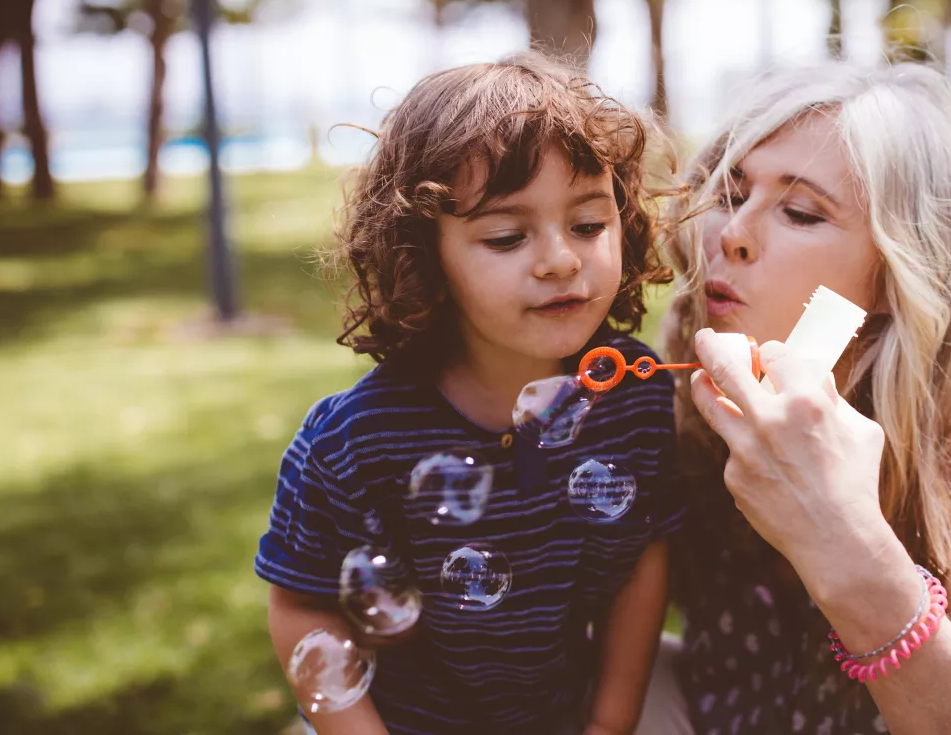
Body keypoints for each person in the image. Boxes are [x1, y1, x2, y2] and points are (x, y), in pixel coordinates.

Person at [645, 61, 951, 734]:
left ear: (895, 272)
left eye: (799, 211)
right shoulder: (691, 421)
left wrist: (841, 542)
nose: (730, 234)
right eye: (731, 194)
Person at [255, 54, 683, 735]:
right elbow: (304, 607)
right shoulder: (354, 442)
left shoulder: (632, 396)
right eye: (507, 236)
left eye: (588, 224)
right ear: (423, 257)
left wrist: (609, 723)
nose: (560, 260)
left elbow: (640, 563)